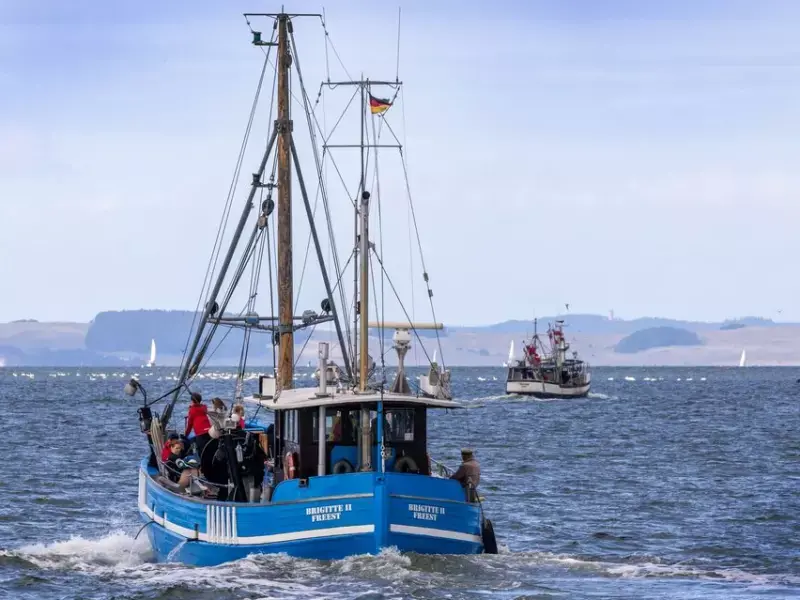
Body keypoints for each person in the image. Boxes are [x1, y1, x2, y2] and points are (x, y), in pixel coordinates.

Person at [185, 392, 212, 458]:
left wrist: (186, 434)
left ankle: (203, 466)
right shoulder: (204, 407)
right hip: (209, 431)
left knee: (202, 451)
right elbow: (201, 407)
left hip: (200, 433)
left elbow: (190, 424)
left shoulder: (192, 410)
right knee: (209, 449)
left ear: (192, 401)